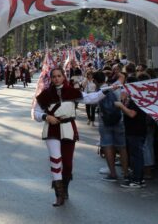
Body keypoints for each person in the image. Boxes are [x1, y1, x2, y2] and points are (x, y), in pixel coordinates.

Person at [33, 67, 110, 207]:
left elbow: (91, 98)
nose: (56, 78)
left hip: (68, 128)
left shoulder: (72, 92)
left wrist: (108, 89)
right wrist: (45, 116)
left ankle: (65, 186)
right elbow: (35, 113)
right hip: (52, 130)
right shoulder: (45, 94)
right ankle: (59, 195)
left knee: (67, 163)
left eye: (59, 76)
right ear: (51, 78)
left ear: (63, 76)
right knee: (55, 161)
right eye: (54, 76)